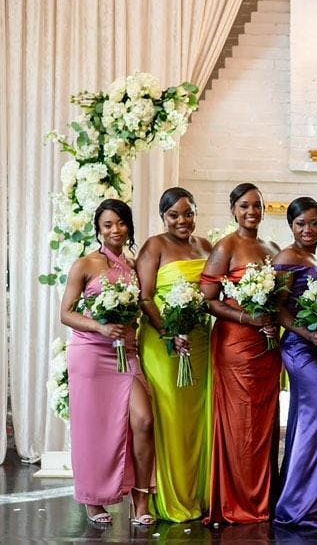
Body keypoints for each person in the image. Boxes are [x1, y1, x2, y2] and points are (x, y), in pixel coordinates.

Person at [59, 199, 155, 525]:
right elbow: (66, 313)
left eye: (121, 223)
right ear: (98, 230)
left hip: (126, 354)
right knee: (94, 428)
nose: (116, 230)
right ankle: (93, 499)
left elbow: (143, 305)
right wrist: (100, 327)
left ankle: (141, 499)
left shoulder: (134, 265)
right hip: (91, 354)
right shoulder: (85, 264)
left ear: (129, 226)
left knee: (143, 421)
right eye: (108, 225)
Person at [199, 183, 281, 524]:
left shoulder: (272, 248)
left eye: (257, 206)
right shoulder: (226, 247)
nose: (252, 212)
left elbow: (280, 299)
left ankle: (264, 498)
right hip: (236, 344)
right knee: (240, 422)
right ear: (233, 209)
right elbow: (209, 300)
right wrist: (248, 318)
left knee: (263, 423)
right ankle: (238, 500)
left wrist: (272, 320)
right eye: (245, 206)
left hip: (267, 348)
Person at [136, 187, 212, 522]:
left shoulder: (205, 246)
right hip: (163, 343)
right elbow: (145, 297)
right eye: (174, 215)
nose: (182, 220)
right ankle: (168, 498)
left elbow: (214, 292)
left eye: (188, 213)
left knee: (197, 420)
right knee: (170, 418)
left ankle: (197, 494)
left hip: (199, 343)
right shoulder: (154, 246)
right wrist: (169, 331)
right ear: (162, 216)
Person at [273, 197, 317, 528]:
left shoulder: (315, 257)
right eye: (301, 224)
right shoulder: (287, 258)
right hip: (299, 348)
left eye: (314, 223)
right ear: (291, 226)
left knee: (310, 419)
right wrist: (307, 334)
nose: (308, 229)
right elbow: (278, 308)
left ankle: (309, 498)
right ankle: (298, 505)